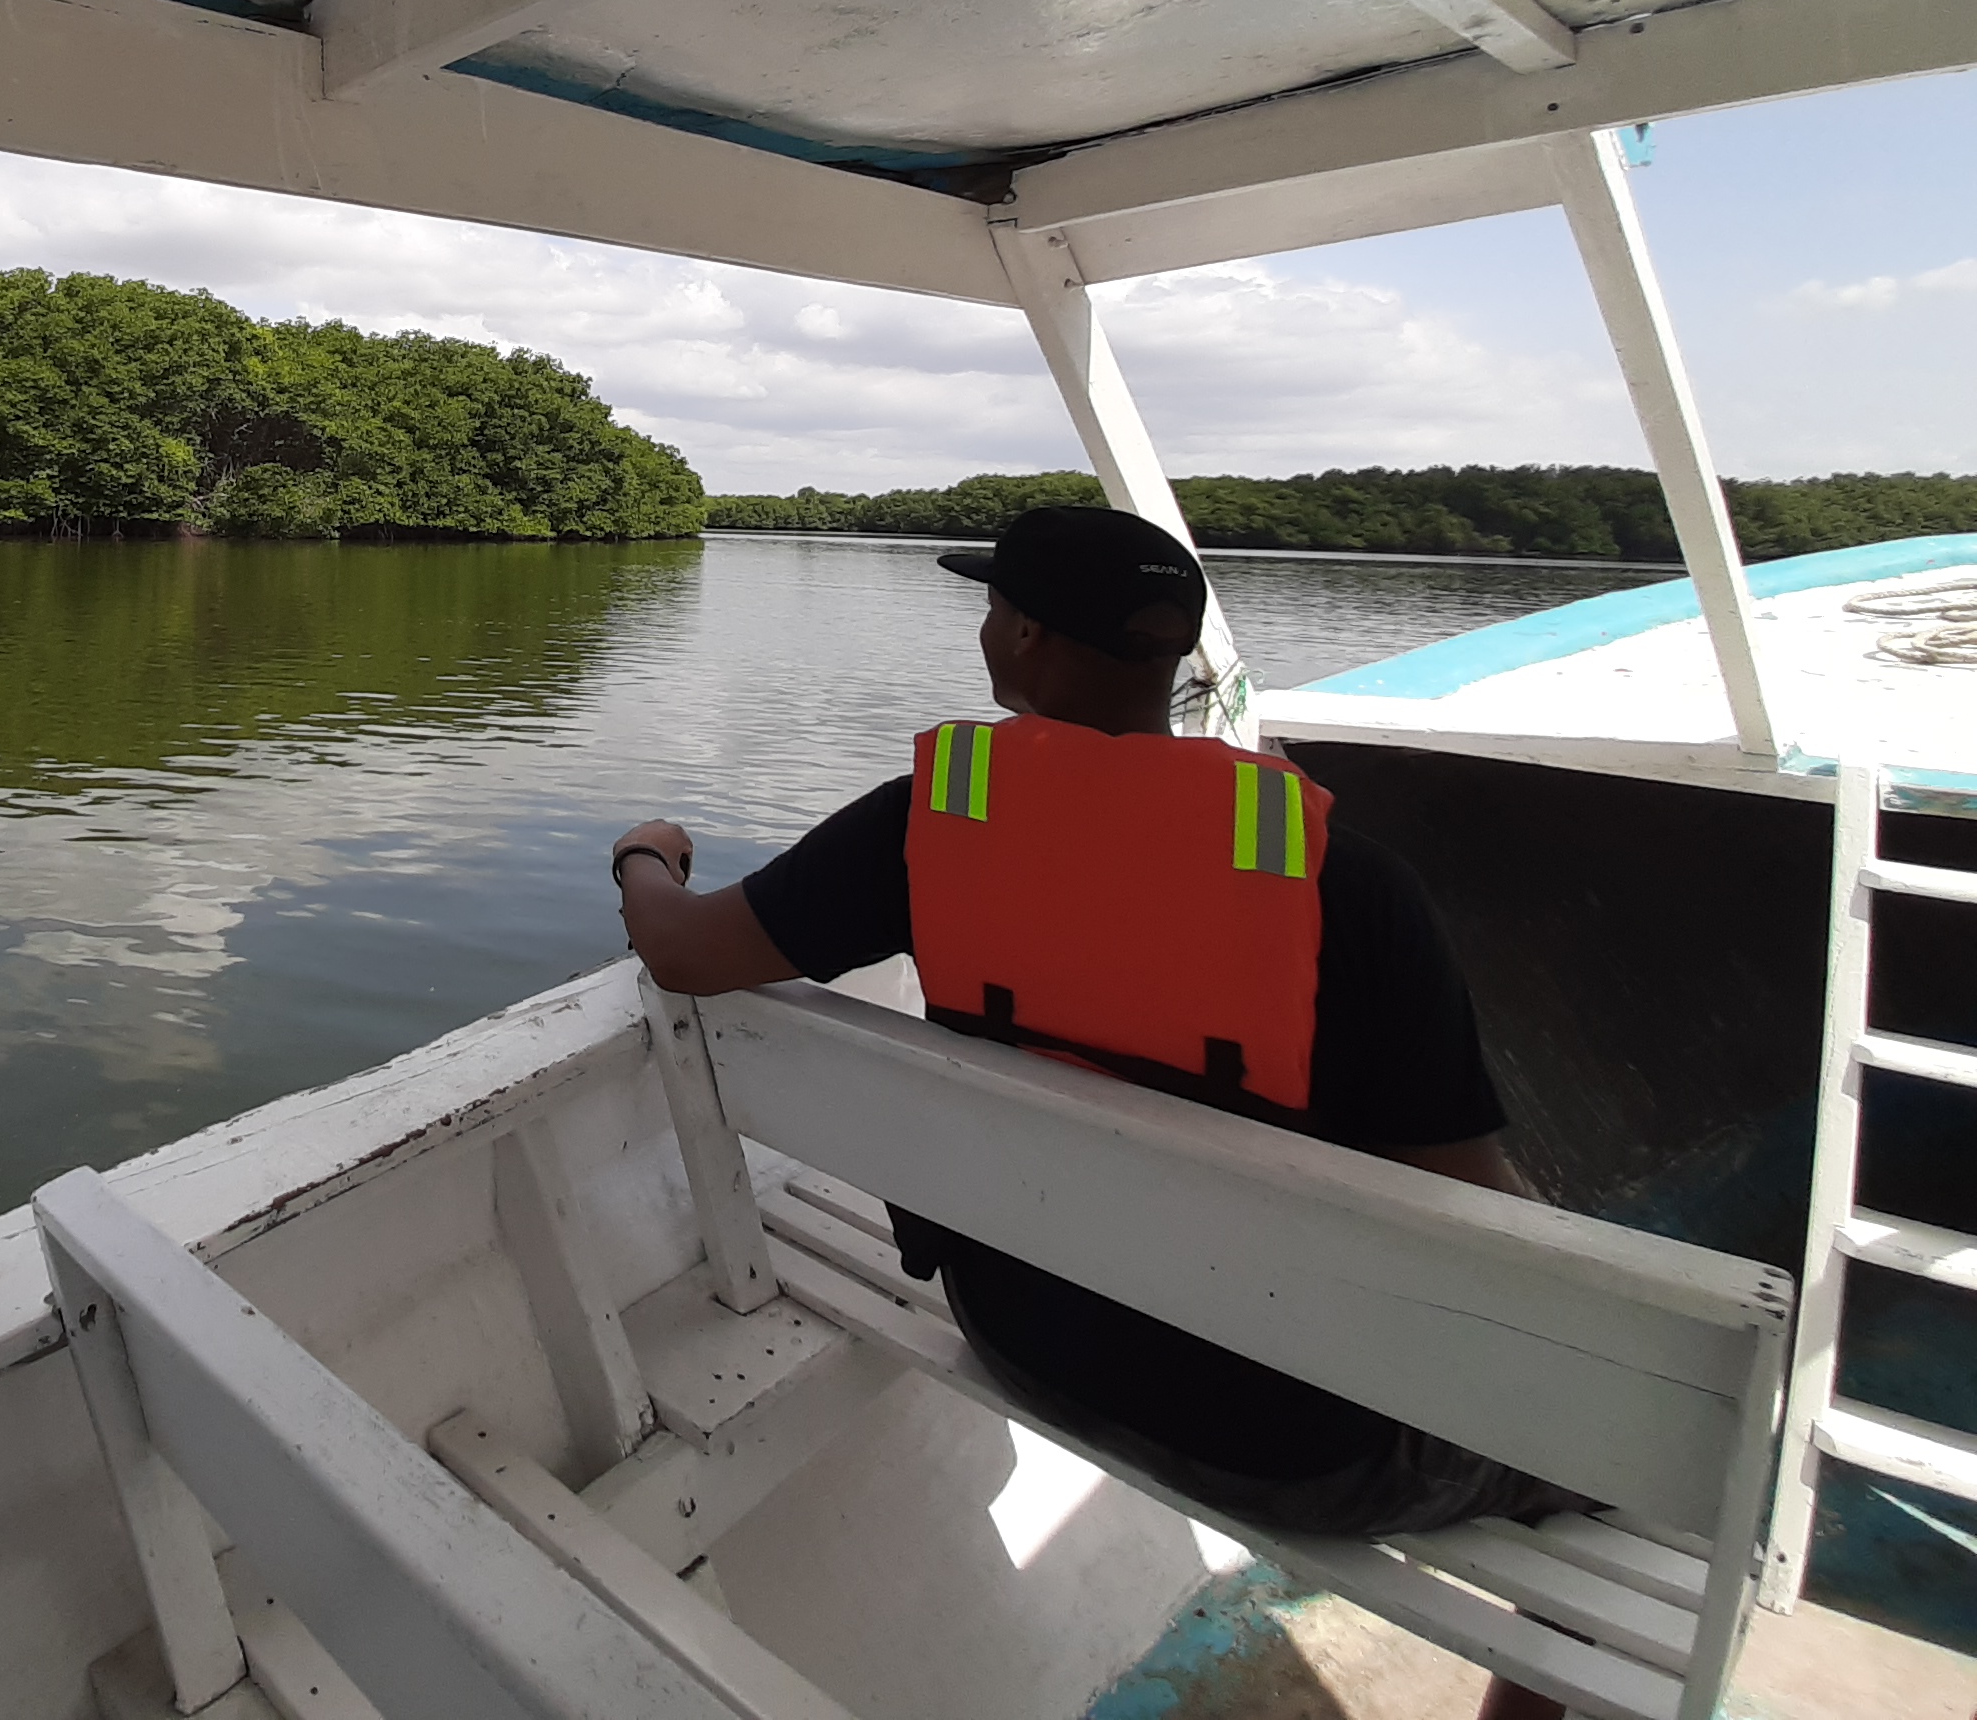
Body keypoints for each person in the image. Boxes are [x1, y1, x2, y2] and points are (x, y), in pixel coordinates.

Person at [612, 506, 1573, 1720]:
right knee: (1627, 1462)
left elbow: (686, 952)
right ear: (1168, 655)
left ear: (1018, 634)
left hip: (1018, 1330)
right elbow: (1475, 1213)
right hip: (1298, 1445)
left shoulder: (930, 817)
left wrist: (645, 852)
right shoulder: (1348, 882)